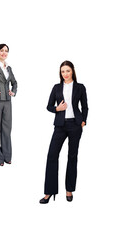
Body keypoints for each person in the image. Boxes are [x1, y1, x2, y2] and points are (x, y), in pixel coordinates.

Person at [40, 60, 88, 204]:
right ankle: (49, 191)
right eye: (62, 71)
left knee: (72, 156)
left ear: (72, 71)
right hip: (60, 126)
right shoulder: (56, 87)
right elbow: (48, 106)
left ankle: (69, 190)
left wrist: (83, 120)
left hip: (75, 125)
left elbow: (85, 106)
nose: (65, 74)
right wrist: (56, 109)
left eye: (67, 70)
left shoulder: (80, 87)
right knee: (52, 156)